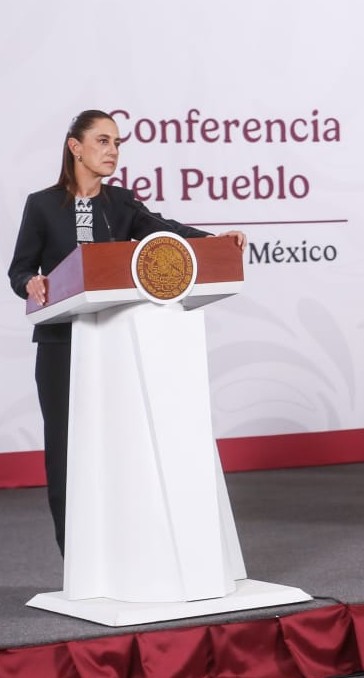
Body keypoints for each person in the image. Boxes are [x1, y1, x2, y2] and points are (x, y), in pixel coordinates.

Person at [7, 109, 247, 555]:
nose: (113, 151)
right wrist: (30, 282)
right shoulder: (41, 205)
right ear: (75, 147)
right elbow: (19, 268)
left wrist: (217, 241)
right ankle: (75, 556)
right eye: (102, 141)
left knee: (117, 446)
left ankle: (123, 551)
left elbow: (164, 232)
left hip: (114, 342)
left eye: (117, 143)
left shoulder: (121, 203)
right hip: (62, 347)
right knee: (66, 450)